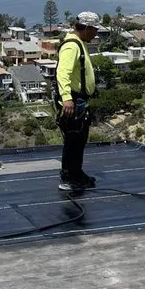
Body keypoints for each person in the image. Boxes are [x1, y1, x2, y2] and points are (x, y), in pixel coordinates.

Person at [54, 11, 100, 191]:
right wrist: (66, 98)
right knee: (73, 139)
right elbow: (62, 73)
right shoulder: (72, 46)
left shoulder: (79, 43)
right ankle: (68, 177)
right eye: (94, 30)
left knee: (79, 138)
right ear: (87, 28)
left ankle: (77, 173)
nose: (96, 34)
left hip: (79, 99)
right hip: (72, 101)